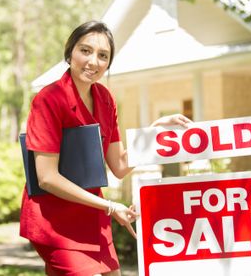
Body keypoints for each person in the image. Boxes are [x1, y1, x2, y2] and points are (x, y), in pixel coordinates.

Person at [20, 20, 191, 276]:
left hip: (92, 216)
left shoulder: (105, 99)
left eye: (103, 56)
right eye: (85, 50)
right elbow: (47, 178)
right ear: (70, 53)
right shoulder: (48, 100)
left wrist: (153, 132)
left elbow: (120, 165)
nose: (93, 61)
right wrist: (110, 207)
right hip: (54, 220)